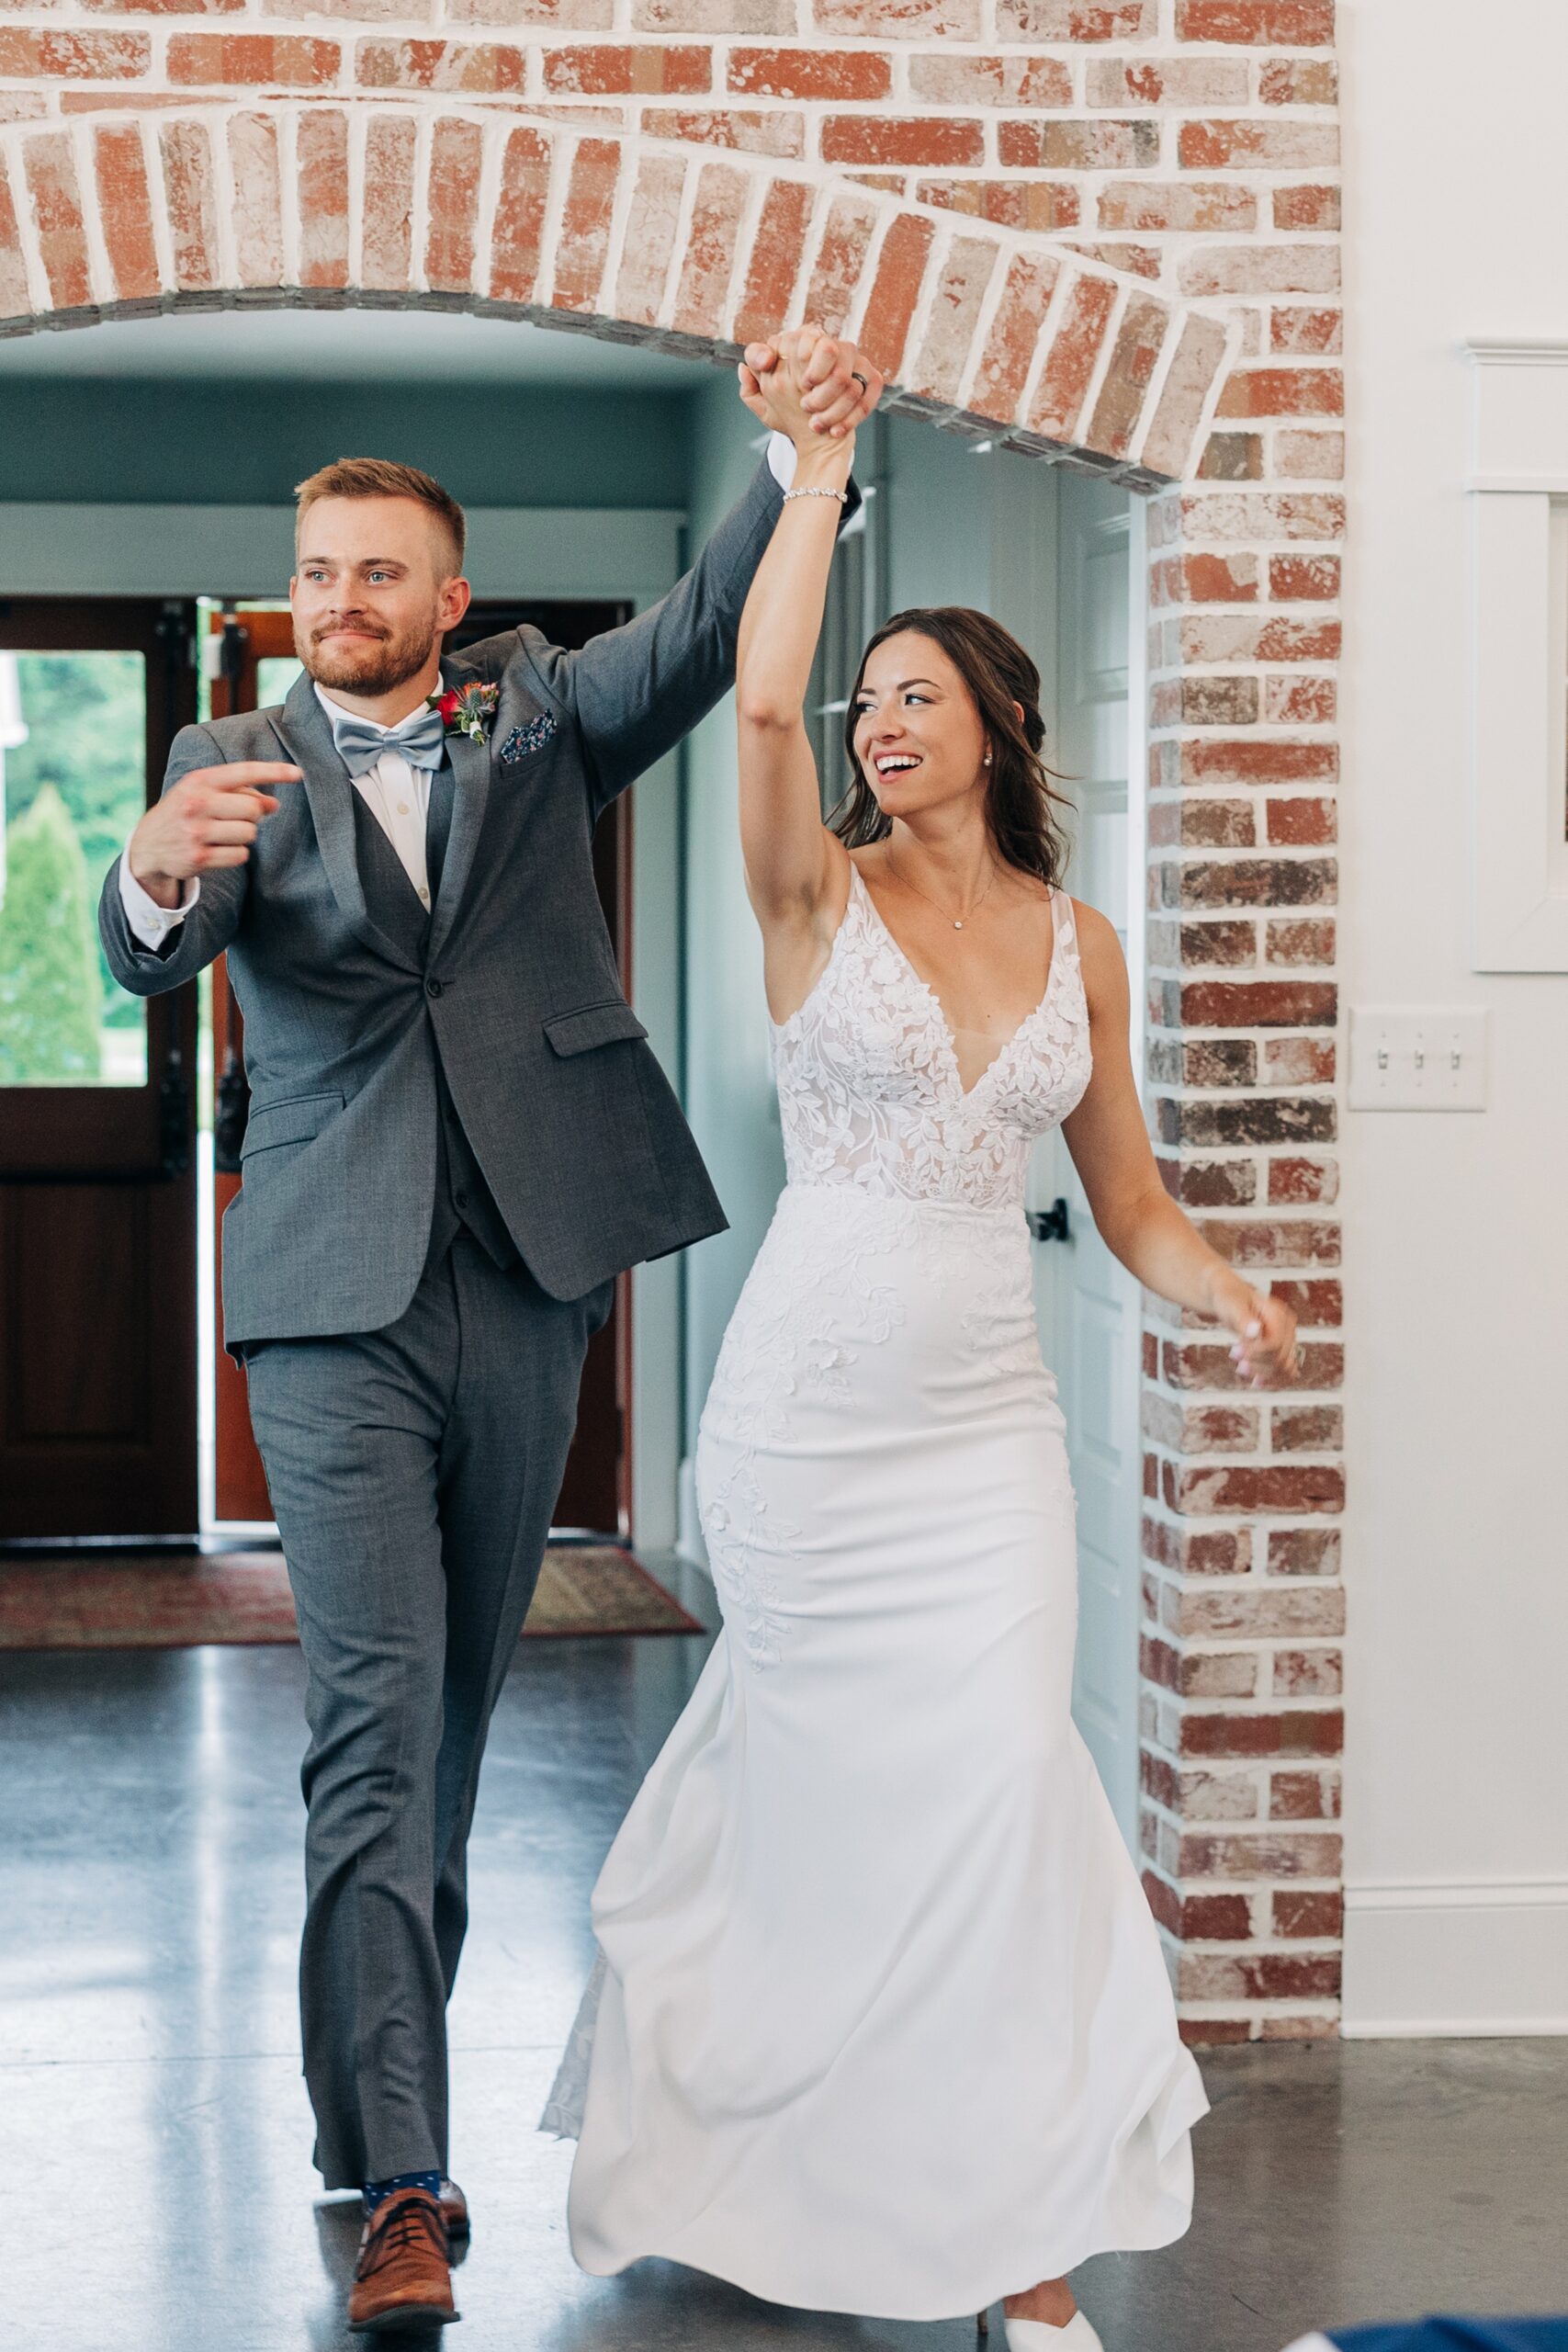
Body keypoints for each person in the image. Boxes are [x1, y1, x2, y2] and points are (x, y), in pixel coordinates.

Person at [96, 324, 883, 2337]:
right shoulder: (219, 761)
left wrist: (806, 453)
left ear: (446, 596)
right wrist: (139, 878)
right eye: (316, 569)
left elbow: (708, 631)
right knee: (369, 1725)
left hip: (529, 1279)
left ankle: (367, 2090)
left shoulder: (540, 719)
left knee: (444, 1734)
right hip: (332, 1310)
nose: (339, 600)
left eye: (379, 570)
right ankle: (402, 2175)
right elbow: (154, 939)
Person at [549, 341, 1301, 2346]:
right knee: (823, 1811)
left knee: (991, 1796)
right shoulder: (812, 898)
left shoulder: (1079, 939)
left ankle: (1016, 2249)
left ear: (991, 728)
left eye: (917, 698)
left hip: (985, 1438)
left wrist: (1213, 1281)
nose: (877, 723)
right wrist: (816, 477)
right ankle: (757, 2147)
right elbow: (764, 697)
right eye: (869, 702)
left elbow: (1126, 1193)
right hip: (807, 1428)